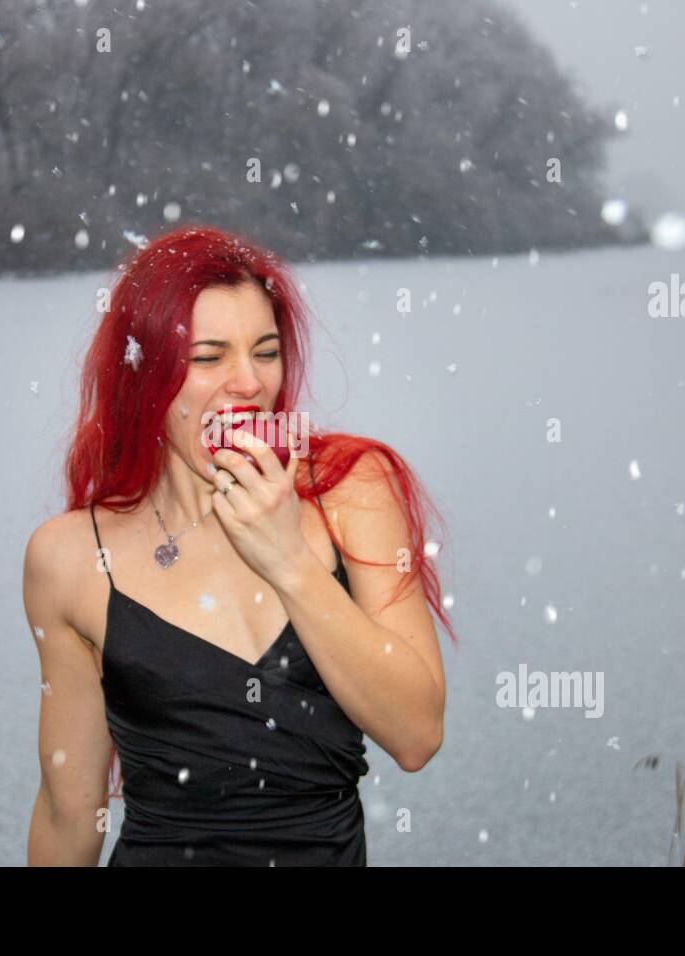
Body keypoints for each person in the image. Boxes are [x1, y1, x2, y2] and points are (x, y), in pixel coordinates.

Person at [23, 225, 455, 866]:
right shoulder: (70, 559)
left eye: (266, 351)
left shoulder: (353, 490)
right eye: (208, 358)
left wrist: (289, 562)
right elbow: (69, 810)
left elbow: (416, 733)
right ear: (144, 375)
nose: (248, 382)